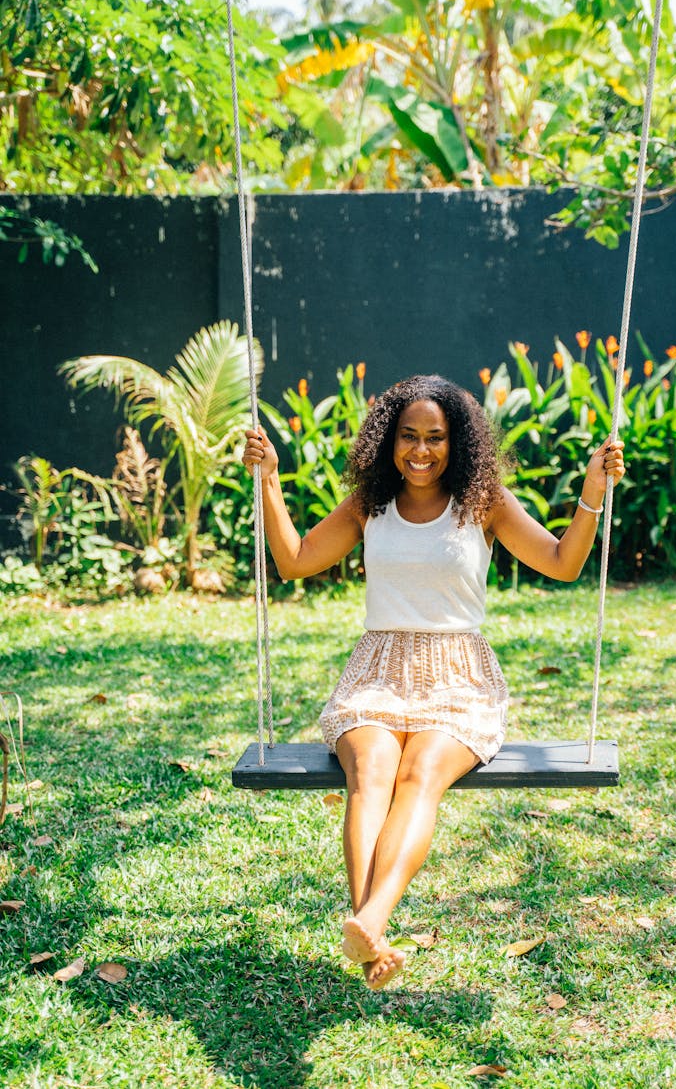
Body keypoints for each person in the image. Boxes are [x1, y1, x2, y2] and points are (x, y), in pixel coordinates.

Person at [243, 374, 625, 992]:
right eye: (408, 437)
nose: (420, 451)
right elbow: (293, 562)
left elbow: (563, 563)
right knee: (370, 773)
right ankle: (372, 933)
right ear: (387, 440)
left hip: (459, 678)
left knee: (418, 774)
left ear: (459, 443)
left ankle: (370, 919)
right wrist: (269, 480)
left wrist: (591, 492)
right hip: (376, 673)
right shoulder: (370, 505)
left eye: (436, 438)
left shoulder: (484, 502)